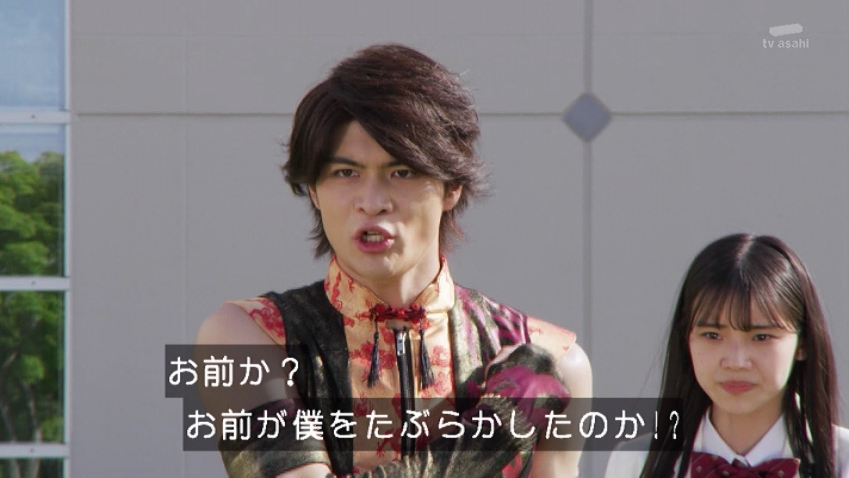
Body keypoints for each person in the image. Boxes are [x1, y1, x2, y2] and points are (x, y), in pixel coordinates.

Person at [196, 43, 592, 478]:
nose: (372, 201)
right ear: (313, 190)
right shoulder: (247, 336)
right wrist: (493, 436)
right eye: (345, 173)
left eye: (402, 172)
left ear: (452, 186)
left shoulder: (553, 359)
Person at [604, 233, 849, 478]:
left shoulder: (843, 462)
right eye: (712, 335)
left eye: (761, 337)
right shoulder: (636, 463)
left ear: (802, 343)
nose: (736, 362)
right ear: (686, 338)